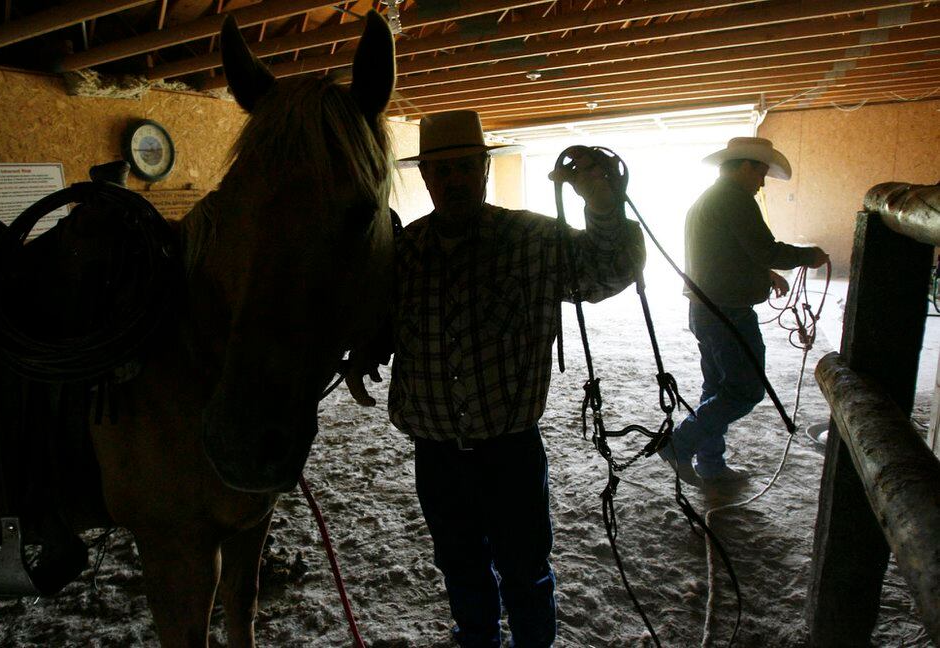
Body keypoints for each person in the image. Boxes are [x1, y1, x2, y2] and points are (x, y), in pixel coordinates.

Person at [347, 109, 645, 647]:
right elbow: (390, 322)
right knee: (459, 566)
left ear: (483, 168)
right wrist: (365, 348)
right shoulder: (405, 252)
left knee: (525, 567)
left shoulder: (534, 239)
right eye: (441, 170)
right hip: (435, 451)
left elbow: (610, 268)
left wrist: (602, 203)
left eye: (465, 166)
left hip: (509, 449)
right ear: (426, 178)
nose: (453, 179)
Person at [661, 136, 829, 487]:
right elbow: (765, 249)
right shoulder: (735, 200)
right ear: (744, 166)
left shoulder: (712, 199)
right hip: (728, 312)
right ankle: (680, 443)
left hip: (706, 308)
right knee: (744, 390)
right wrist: (806, 255)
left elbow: (728, 253)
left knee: (716, 389)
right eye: (760, 173)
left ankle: (710, 465)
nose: (762, 182)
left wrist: (762, 274)